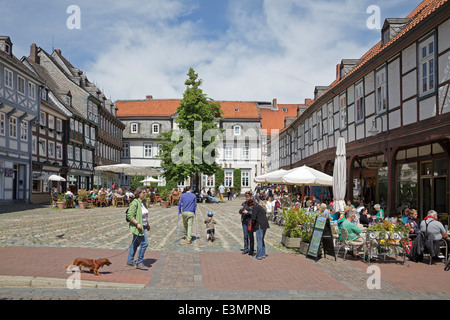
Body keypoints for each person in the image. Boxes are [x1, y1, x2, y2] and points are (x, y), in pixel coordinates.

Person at [126, 187, 150, 270]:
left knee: (135, 243)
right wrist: (137, 223)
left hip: (143, 225)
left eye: (145, 192)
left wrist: (147, 224)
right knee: (144, 243)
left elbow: (144, 215)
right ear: (139, 194)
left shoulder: (143, 202)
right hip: (137, 227)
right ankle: (139, 262)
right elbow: (129, 215)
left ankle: (130, 260)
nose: (145, 194)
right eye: (144, 192)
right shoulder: (135, 203)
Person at [239, 191, 254, 255]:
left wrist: (247, 212)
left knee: (250, 235)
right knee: (245, 236)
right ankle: (246, 249)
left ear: (250, 197)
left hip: (249, 221)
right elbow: (240, 212)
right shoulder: (244, 203)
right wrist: (241, 210)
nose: (247, 198)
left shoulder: (252, 204)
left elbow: (253, 213)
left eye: (248, 197)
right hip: (244, 221)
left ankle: (251, 249)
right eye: (246, 197)